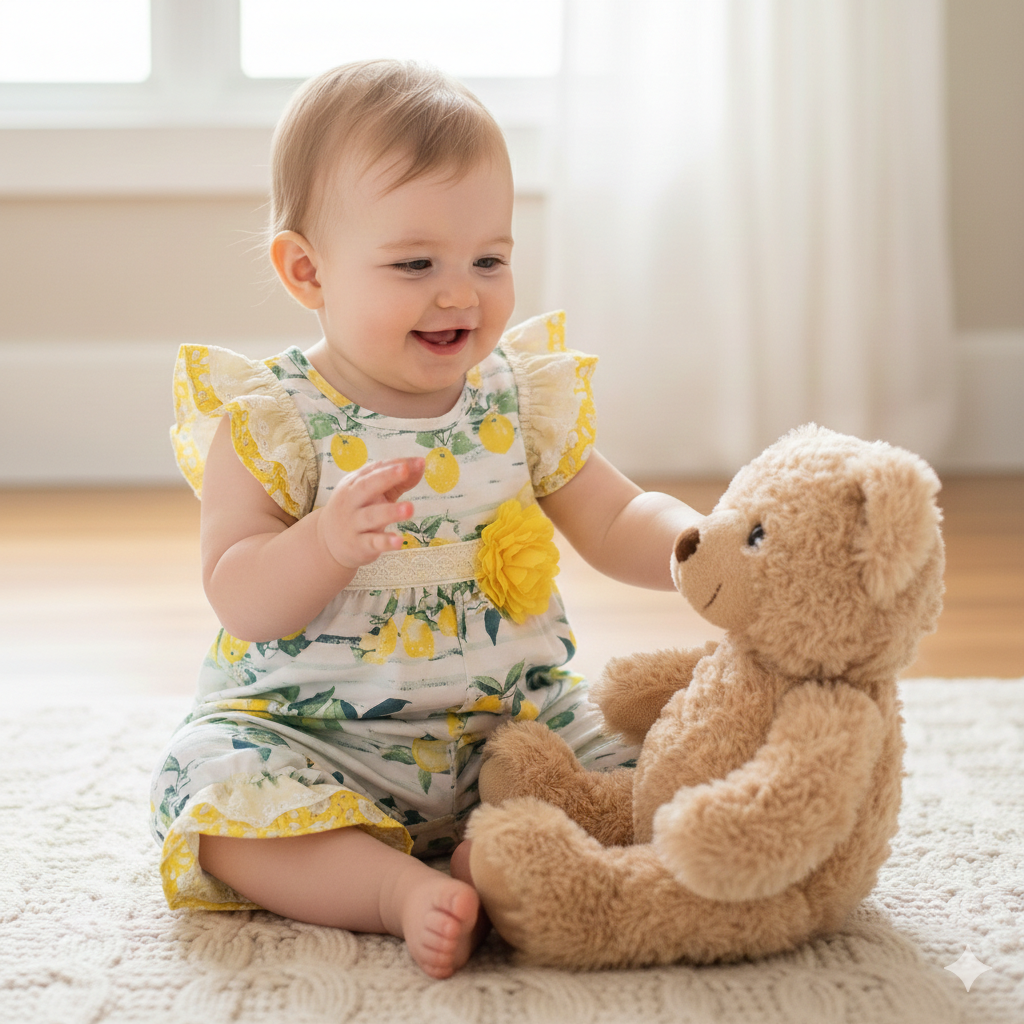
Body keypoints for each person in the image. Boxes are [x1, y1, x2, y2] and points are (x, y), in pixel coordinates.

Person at [150, 59, 702, 979]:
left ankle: (508, 855)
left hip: (514, 733)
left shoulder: (519, 398)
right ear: (307, 271)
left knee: (660, 764)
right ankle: (389, 890)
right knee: (211, 791)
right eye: (416, 265)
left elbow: (617, 516)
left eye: (489, 259)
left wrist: (696, 544)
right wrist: (324, 541)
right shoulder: (275, 421)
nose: (460, 294)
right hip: (321, 740)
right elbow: (240, 597)